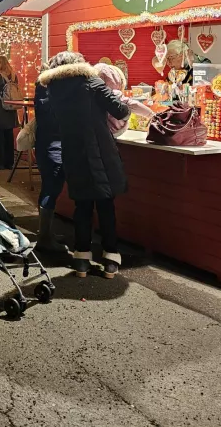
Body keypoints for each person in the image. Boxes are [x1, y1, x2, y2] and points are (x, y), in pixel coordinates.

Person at [38, 51, 131, 278]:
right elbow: (120, 109)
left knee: (83, 206)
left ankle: (81, 259)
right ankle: (110, 257)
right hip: (99, 151)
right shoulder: (91, 81)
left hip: (72, 152)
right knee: (105, 205)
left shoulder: (53, 88)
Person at [33, 70, 66, 253]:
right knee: (51, 189)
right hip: (54, 146)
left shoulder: (42, 90)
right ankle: (45, 237)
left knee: (48, 187)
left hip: (46, 144)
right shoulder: (51, 95)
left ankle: (45, 233)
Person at [94, 63, 154, 137]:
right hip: (111, 131)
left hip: (93, 132)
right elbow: (134, 105)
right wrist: (151, 114)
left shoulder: (89, 93)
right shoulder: (114, 95)